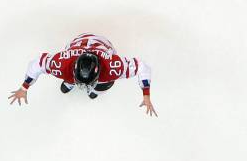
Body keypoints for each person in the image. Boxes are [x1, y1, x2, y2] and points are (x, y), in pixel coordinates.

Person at [9, 32, 157, 116]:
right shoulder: (62, 64)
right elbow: (142, 67)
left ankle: (81, 85)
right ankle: (78, 84)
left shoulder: (111, 67)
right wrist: (24, 88)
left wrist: (25, 86)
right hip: (82, 43)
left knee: (103, 85)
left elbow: (37, 63)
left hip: (98, 44)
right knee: (101, 85)